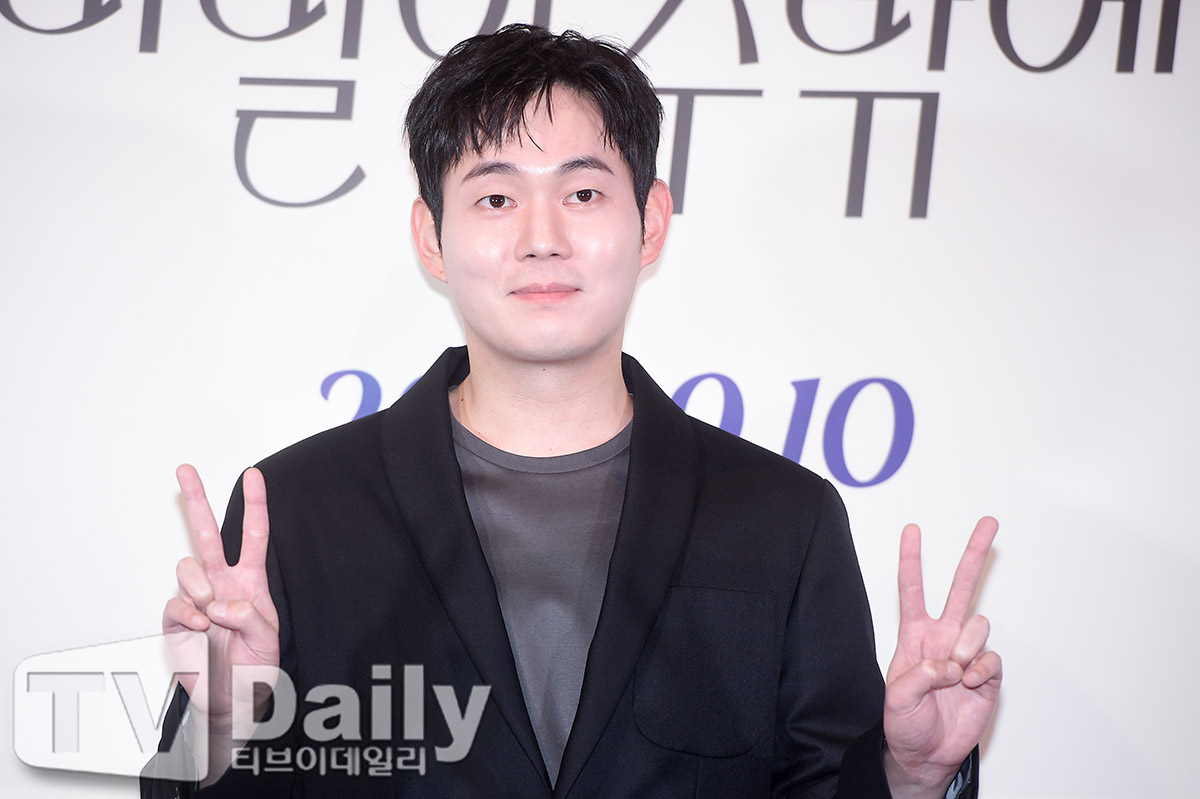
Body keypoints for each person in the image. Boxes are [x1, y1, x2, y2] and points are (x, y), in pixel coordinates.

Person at [142, 23, 1000, 798]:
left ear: (650, 222)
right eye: (495, 198)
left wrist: (912, 778)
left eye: (583, 194)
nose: (542, 237)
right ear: (432, 236)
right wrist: (222, 728)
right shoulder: (297, 511)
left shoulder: (783, 518)